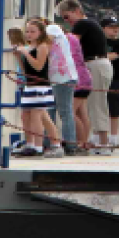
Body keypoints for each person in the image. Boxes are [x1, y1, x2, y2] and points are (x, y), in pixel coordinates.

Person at [59, 0, 110, 151]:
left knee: (97, 103)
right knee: (85, 107)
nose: (67, 21)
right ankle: (87, 140)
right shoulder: (90, 23)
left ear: (76, 11)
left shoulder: (81, 24)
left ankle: (103, 141)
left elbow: (69, 44)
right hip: (95, 64)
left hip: (94, 63)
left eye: (67, 17)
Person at [11, 20, 58, 156]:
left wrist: (25, 53)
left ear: (40, 32)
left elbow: (39, 66)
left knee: (36, 115)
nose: (29, 34)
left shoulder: (43, 46)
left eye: (33, 31)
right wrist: (19, 57)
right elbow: (26, 70)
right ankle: (30, 143)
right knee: (26, 115)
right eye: (27, 31)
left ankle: (38, 146)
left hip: (40, 85)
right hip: (30, 85)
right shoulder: (29, 47)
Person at [44, 22, 80, 158]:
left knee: (64, 111)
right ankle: (51, 141)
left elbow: (47, 43)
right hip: (59, 77)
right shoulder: (60, 38)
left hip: (63, 77)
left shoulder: (52, 29)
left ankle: (70, 144)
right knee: (51, 110)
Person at [101, 14, 119, 146]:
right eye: (111, 27)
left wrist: (97, 57)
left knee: (114, 108)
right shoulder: (98, 41)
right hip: (99, 77)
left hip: (114, 77)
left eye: (116, 27)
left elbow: (114, 56)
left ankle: (113, 138)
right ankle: (99, 136)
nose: (115, 30)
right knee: (99, 106)